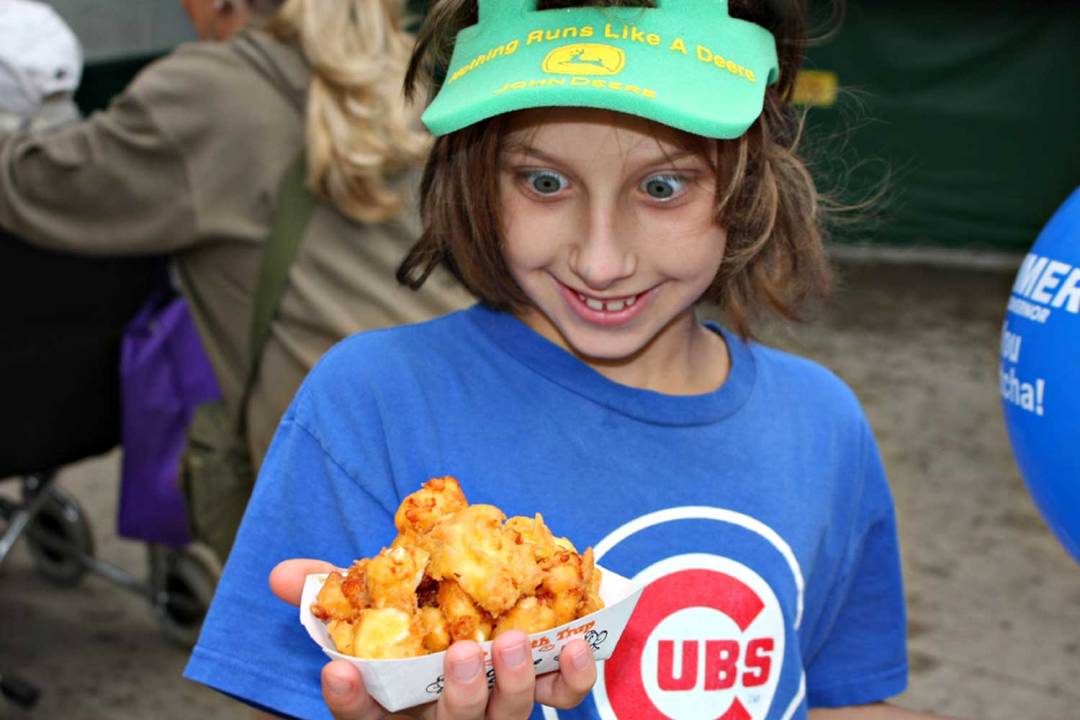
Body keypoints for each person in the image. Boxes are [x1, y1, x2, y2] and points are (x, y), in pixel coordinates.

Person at [186, 0, 961, 718]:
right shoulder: (369, 406)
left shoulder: (822, 426)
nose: (600, 260)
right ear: (475, 176)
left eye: (662, 186)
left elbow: (845, 694)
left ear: (752, 180)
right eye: (544, 181)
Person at [0, 0, 471, 470]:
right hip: (468, 406)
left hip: (344, 457)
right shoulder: (402, 65)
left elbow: (35, 185)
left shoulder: (204, 92)